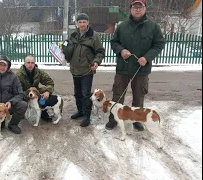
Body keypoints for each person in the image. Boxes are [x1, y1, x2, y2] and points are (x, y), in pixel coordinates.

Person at [106, 0, 165, 130]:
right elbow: (114, 42)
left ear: (145, 9)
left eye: (140, 6)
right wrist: (121, 50)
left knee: (138, 96)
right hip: (123, 68)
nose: (137, 9)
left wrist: (147, 57)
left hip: (141, 69)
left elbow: (159, 44)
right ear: (130, 9)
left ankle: (137, 119)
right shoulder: (122, 26)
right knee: (118, 95)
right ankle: (113, 119)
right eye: (134, 6)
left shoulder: (153, 27)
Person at [65, 13, 105, 127]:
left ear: (88, 23)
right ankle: (80, 111)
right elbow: (67, 47)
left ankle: (87, 116)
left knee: (86, 94)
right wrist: (63, 50)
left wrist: (96, 62)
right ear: (77, 23)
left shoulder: (93, 36)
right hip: (74, 69)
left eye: (84, 22)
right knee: (77, 93)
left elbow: (100, 52)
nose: (82, 24)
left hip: (87, 70)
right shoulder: (73, 35)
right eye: (80, 22)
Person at [16, 55, 55, 121]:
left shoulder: (38, 72)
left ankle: (42, 110)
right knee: (19, 100)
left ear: (34, 63)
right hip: (24, 94)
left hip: (35, 93)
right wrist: (27, 95)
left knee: (47, 94)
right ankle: (21, 112)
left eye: (32, 63)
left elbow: (50, 82)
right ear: (24, 63)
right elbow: (17, 90)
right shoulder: (19, 74)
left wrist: (47, 91)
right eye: (28, 63)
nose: (30, 65)